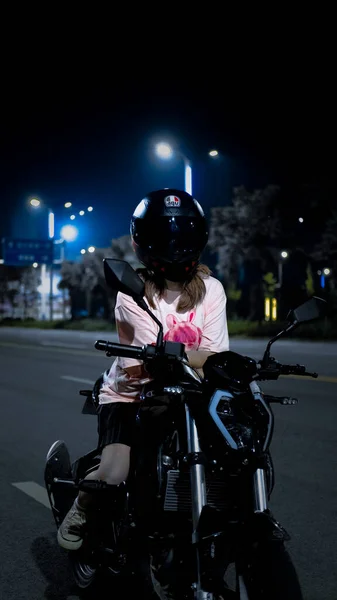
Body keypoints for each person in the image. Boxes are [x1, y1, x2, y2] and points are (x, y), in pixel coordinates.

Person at [57, 188, 229, 551]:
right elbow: (156, 356)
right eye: (165, 235)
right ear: (143, 242)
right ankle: (81, 506)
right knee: (116, 471)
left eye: (183, 233)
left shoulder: (211, 289)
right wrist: (200, 357)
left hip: (188, 392)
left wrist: (203, 359)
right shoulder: (132, 291)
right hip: (130, 394)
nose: (174, 242)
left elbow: (215, 355)